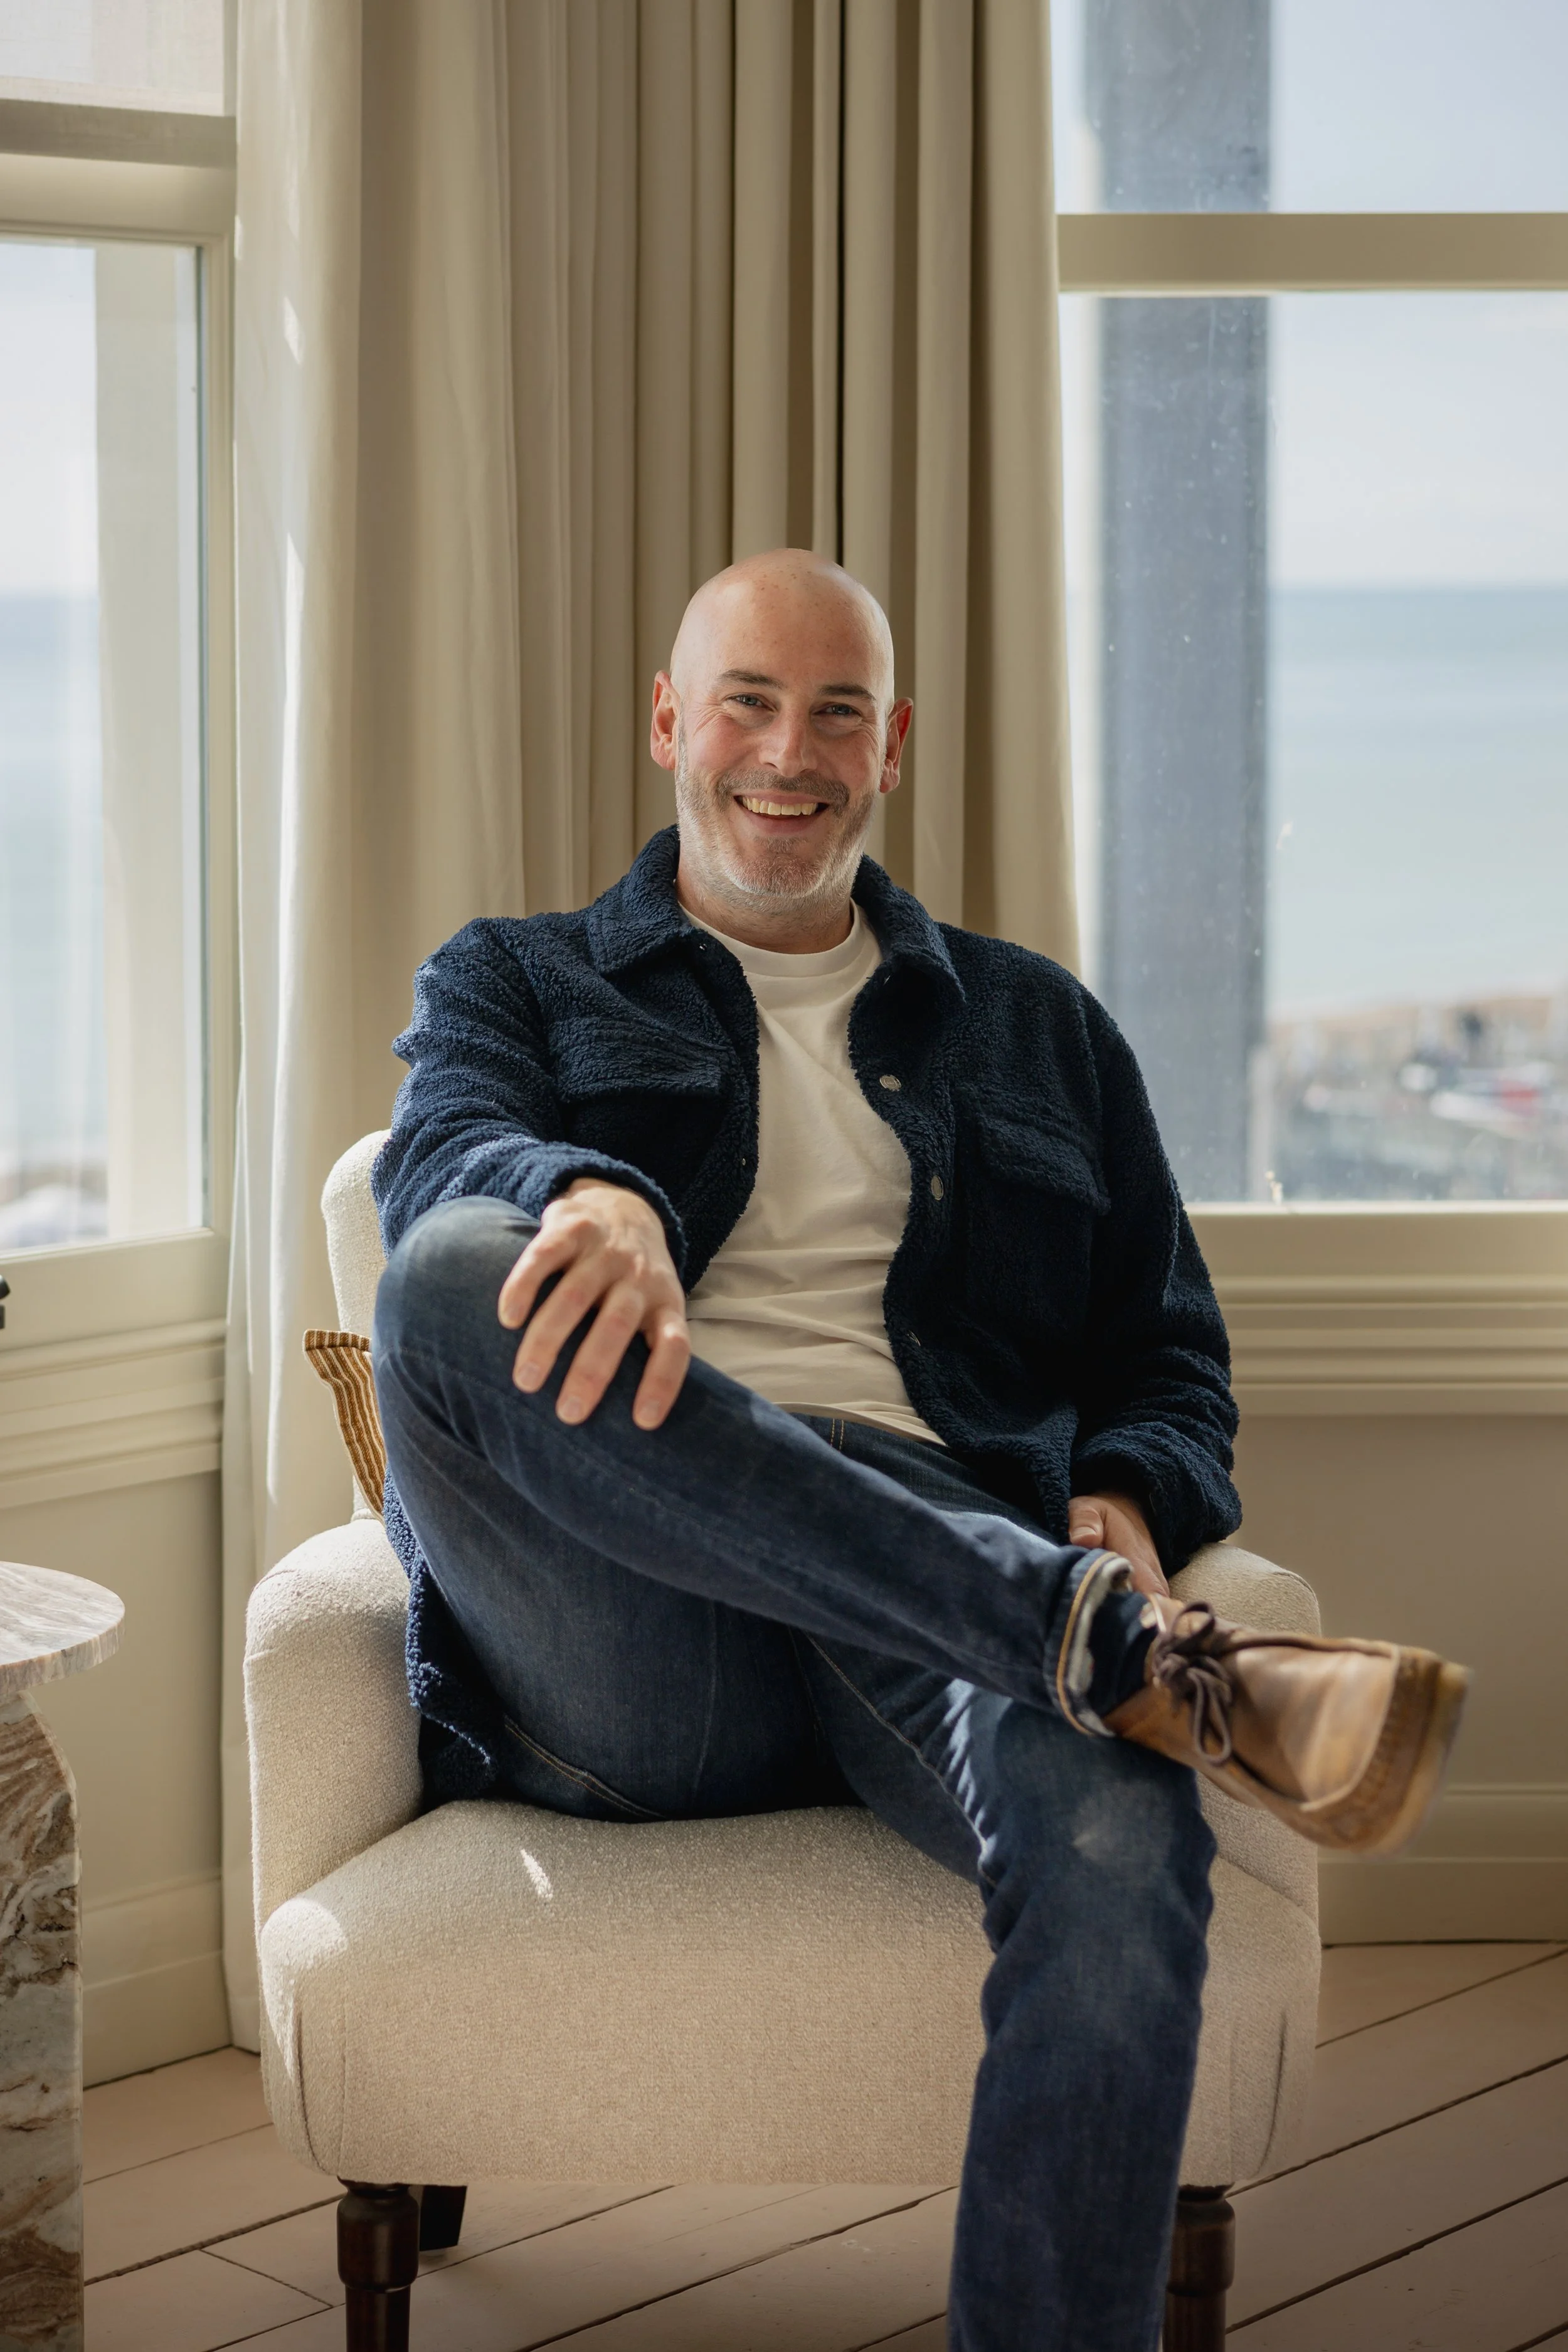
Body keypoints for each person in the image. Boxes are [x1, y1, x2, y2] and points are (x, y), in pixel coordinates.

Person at [370, 548, 1468, 2352]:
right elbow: (439, 1165)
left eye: (836, 711)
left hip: (953, 1603)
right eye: (745, 699)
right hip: (634, 1626)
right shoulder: (517, 976)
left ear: (892, 749)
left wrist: (1124, 1497)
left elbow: (1170, 1360)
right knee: (445, 1278)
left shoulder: (1041, 1027)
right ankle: (1090, 1638)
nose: (785, 753)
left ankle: (1063, 1626)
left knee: (1123, 1849)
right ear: (666, 720)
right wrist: (584, 1190)